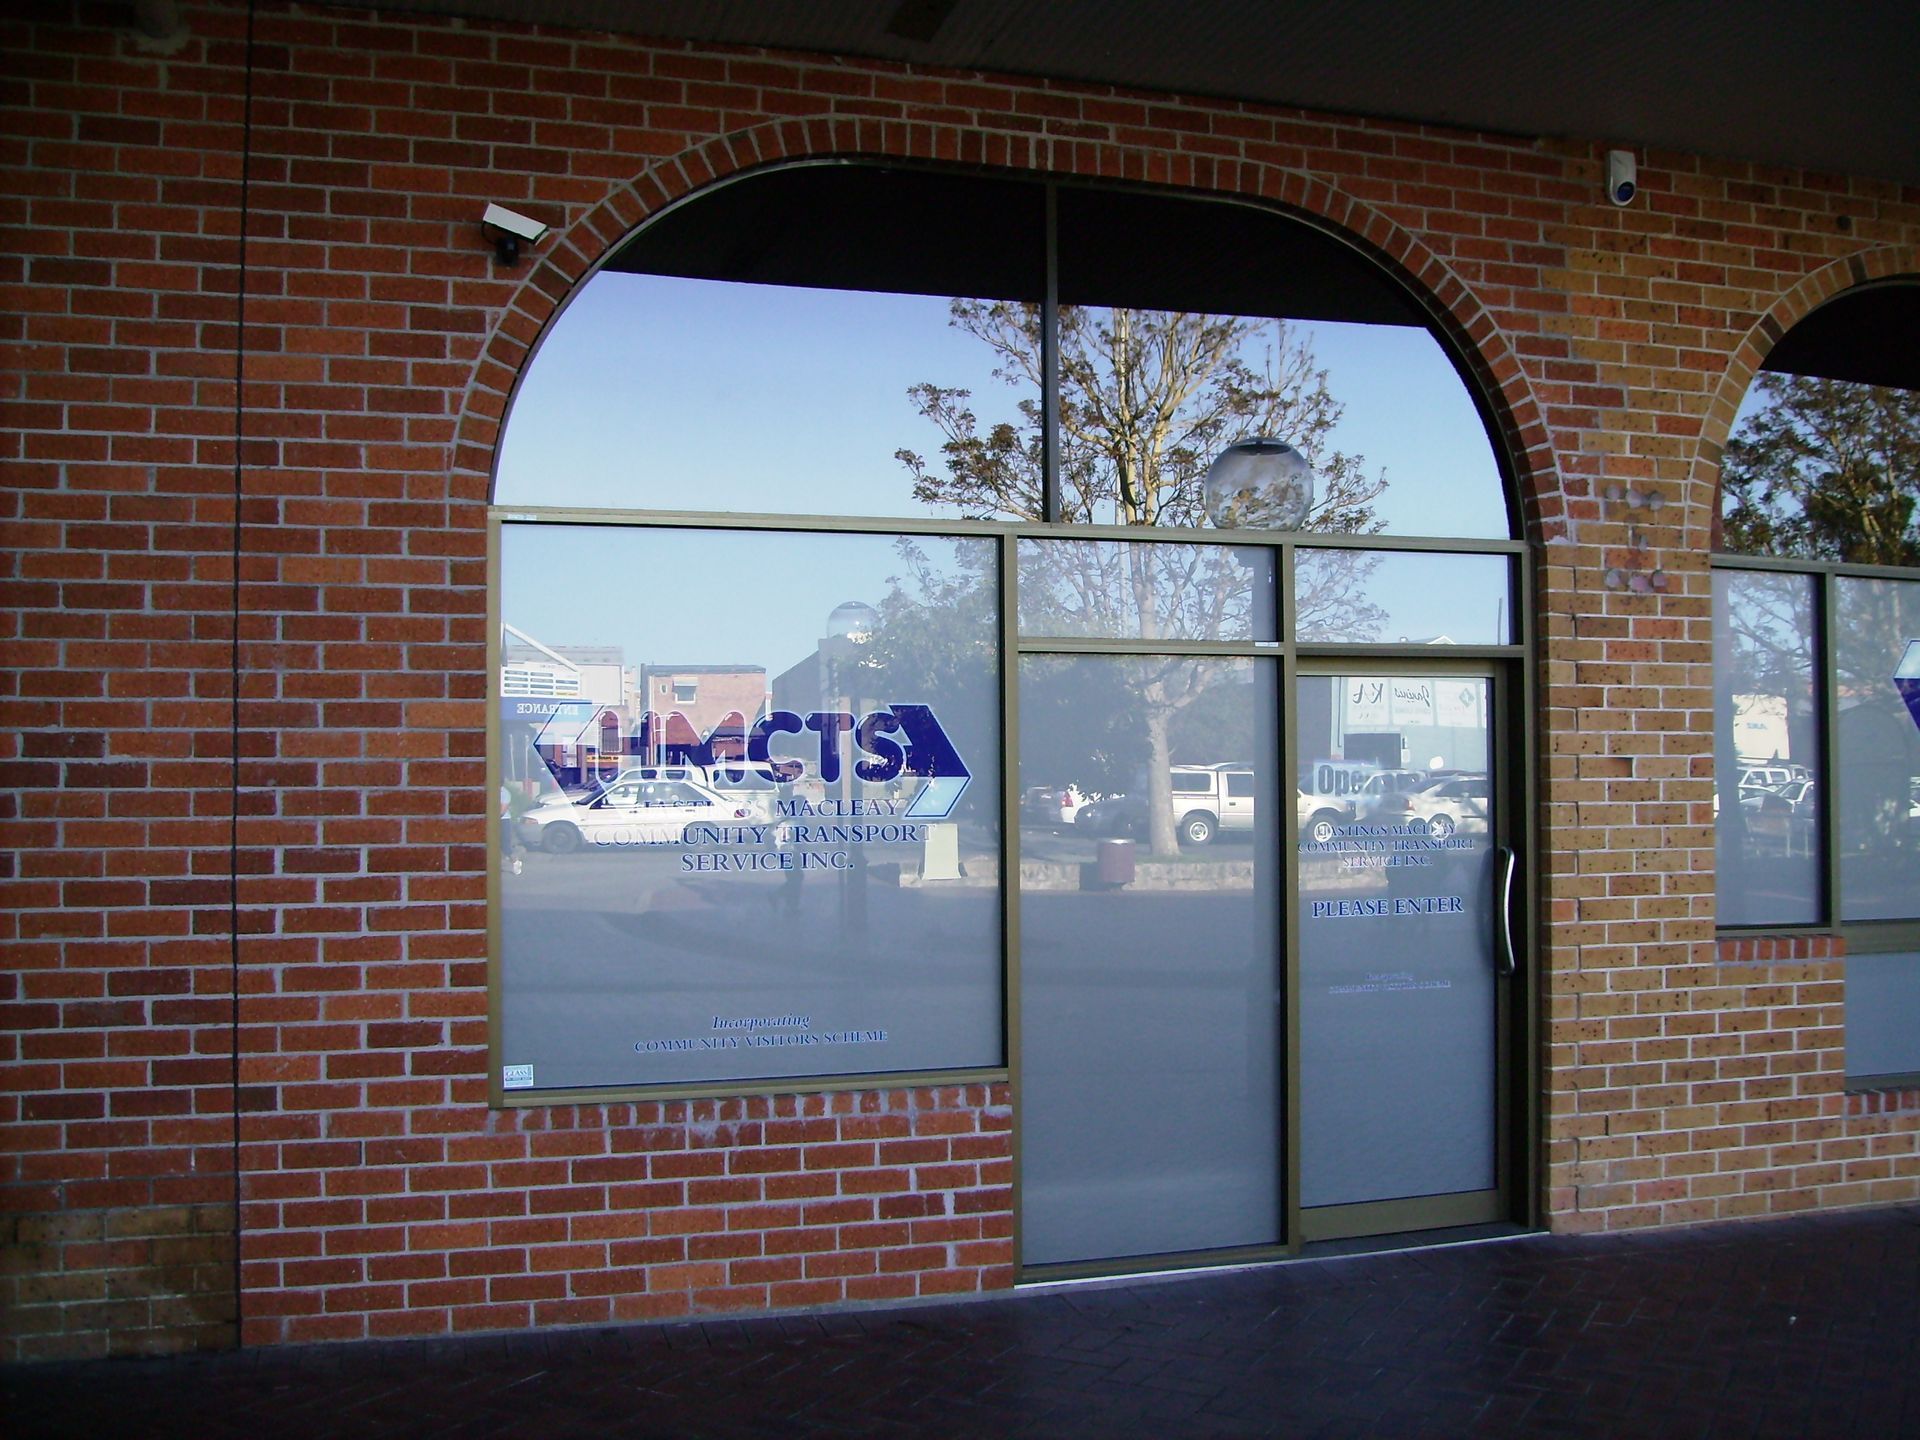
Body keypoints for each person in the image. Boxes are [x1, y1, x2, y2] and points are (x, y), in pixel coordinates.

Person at [499, 783, 522, 875]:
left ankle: (515, 862)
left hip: (503, 821)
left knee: (505, 846)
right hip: (492, 820)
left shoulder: (505, 793)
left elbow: (502, 811)